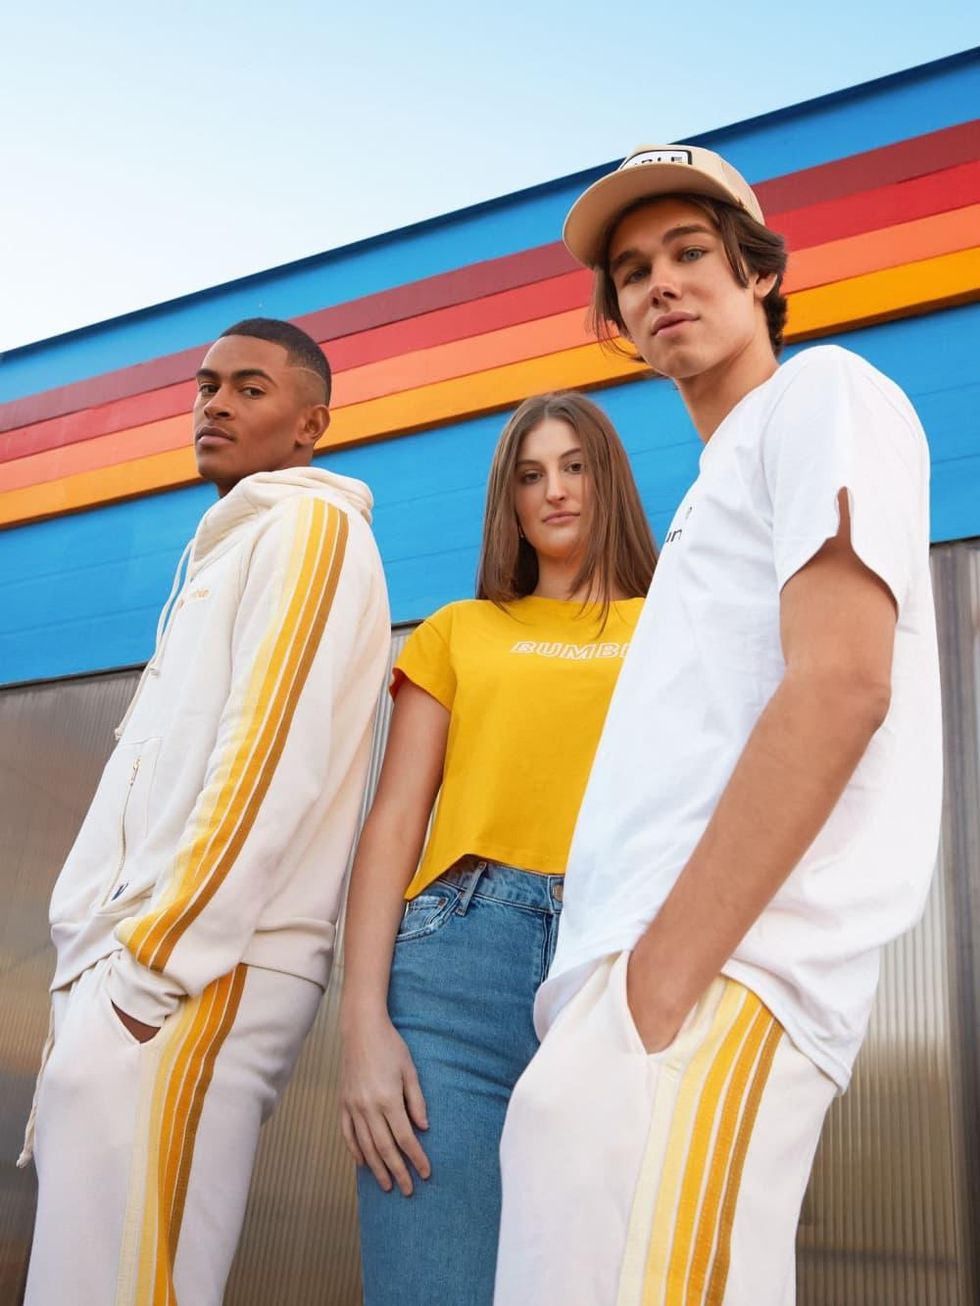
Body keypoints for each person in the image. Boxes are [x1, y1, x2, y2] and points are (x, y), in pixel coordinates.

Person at [494, 146, 942, 1306]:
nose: (659, 284)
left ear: (758, 279)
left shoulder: (824, 393)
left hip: (715, 982)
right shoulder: (703, 493)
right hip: (630, 1002)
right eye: (633, 271)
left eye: (690, 252)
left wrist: (660, 986)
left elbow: (841, 683)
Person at [19, 317, 390, 1306]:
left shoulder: (310, 529)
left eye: (248, 389)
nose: (214, 404)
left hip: (194, 971)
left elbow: (268, 759)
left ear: (310, 424)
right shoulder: (222, 554)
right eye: (205, 384)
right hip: (141, 972)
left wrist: (152, 970)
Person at [339, 391, 657, 1306]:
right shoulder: (457, 632)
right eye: (529, 475)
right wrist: (362, 1024)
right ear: (508, 502)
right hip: (454, 980)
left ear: (608, 481)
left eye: (573, 466)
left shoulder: (673, 621)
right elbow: (393, 826)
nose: (553, 490)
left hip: (619, 968)